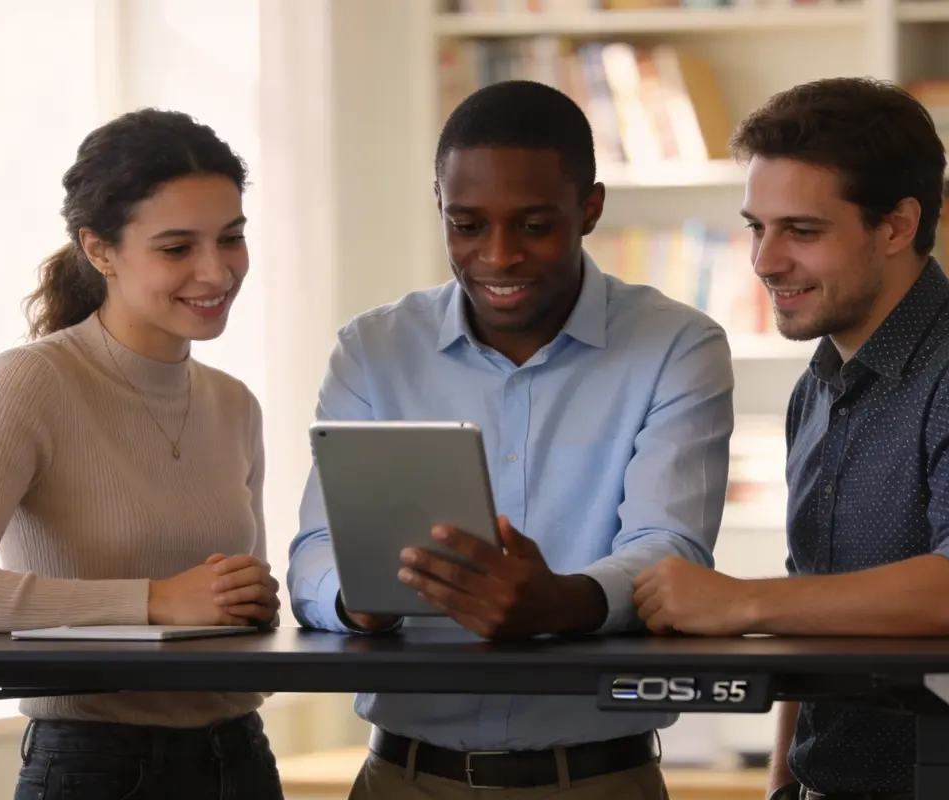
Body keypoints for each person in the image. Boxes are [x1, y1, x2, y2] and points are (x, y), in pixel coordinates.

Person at [287, 79, 734, 799]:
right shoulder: (373, 349)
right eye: (467, 225)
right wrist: (353, 598)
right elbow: (314, 551)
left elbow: (669, 549)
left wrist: (565, 600)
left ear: (589, 209)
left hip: (599, 779)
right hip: (405, 778)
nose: (498, 256)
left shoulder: (677, 346)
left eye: (533, 225)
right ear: (440, 207)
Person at [632, 77, 949, 800]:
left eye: (801, 231)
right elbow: (815, 610)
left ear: (898, 226)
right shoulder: (819, 386)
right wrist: (784, 785)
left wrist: (741, 602)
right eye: (757, 227)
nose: (765, 261)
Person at [0, 108, 284, 800]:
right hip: (98, 767)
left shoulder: (234, 403)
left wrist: (246, 602)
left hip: (240, 758)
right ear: (100, 251)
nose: (216, 270)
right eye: (176, 248)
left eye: (231, 238)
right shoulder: (32, 383)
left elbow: (213, 615)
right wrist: (156, 601)